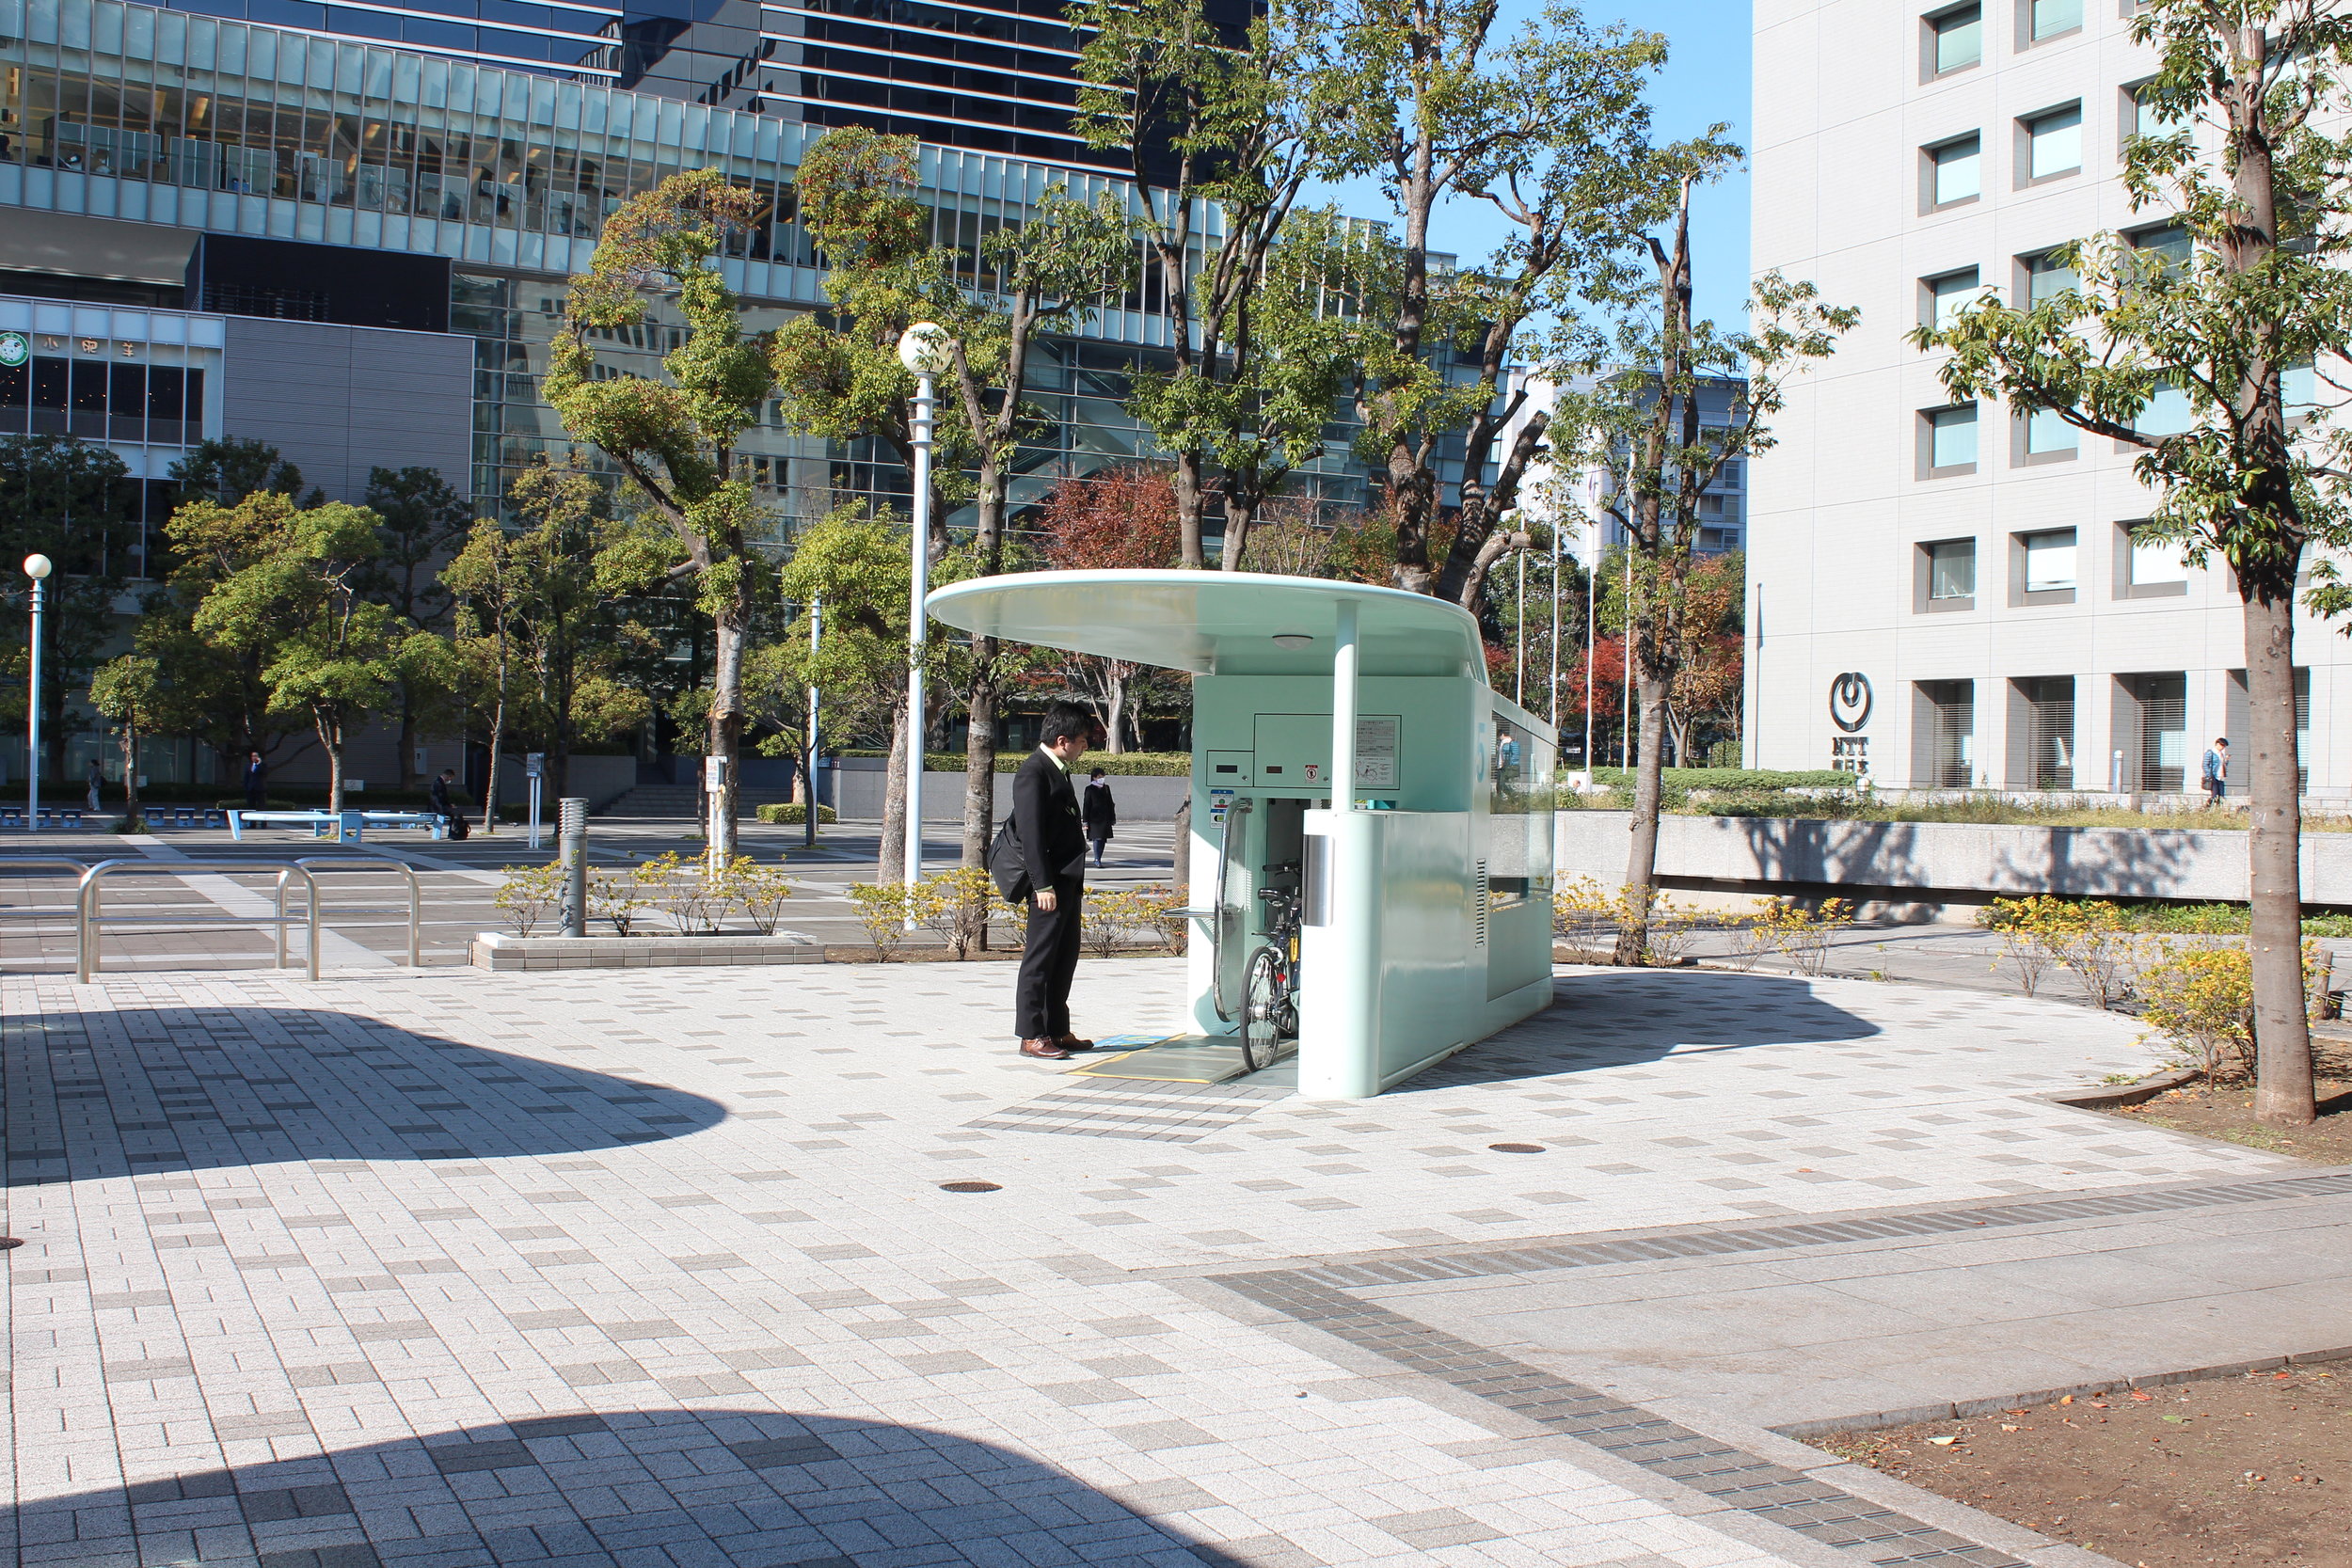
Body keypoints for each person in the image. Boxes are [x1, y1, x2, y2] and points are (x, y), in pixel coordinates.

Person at [1011, 704, 1102, 1060]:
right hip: (1048, 885)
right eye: (1083, 741)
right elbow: (1031, 837)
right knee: (1040, 959)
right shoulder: (1032, 773)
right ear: (1062, 740)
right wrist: (1042, 886)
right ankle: (1032, 1034)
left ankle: (1058, 1030)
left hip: (1067, 881)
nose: (1085, 748)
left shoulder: (1059, 770)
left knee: (1064, 957)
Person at [1081, 767, 1116, 868]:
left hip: (1105, 818)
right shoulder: (1089, 789)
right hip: (1094, 819)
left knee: (1103, 839)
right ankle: (1097, 859)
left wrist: (1112, 817)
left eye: (1103, 776)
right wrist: (1085, 821)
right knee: (1097, 838)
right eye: (1100, 776)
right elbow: (1086, 805)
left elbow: (1110, 803)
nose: (1102, 778)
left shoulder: (1106, 788)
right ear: (1094, 777)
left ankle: (1099, 857)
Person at [429, 768, 469, 839]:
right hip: (438, 807)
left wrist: (449, 805)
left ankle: (454, 832)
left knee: (456, 812)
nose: (450, 780)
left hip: (439, 806)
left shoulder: (439, 782)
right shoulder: (438, 783)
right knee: (456, 813)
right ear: (448, 776)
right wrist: (447, 806)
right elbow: (439, 798)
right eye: (450, 778)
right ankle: (454, 833)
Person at [2201, 737, 2230, 806]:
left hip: (2221, 777)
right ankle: (2208, 808)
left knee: (2221, 796)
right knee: (2215, 796)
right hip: (2214, 777)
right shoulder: (2210, 753)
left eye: (2224, 746)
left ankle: (2216, 809)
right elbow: (2205, 765)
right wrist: (2210, 775)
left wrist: (2226, 760)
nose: (2223, 747)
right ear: (2217, 744)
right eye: (2222, 745)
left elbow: (2223, 765)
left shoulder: (2221, 754)